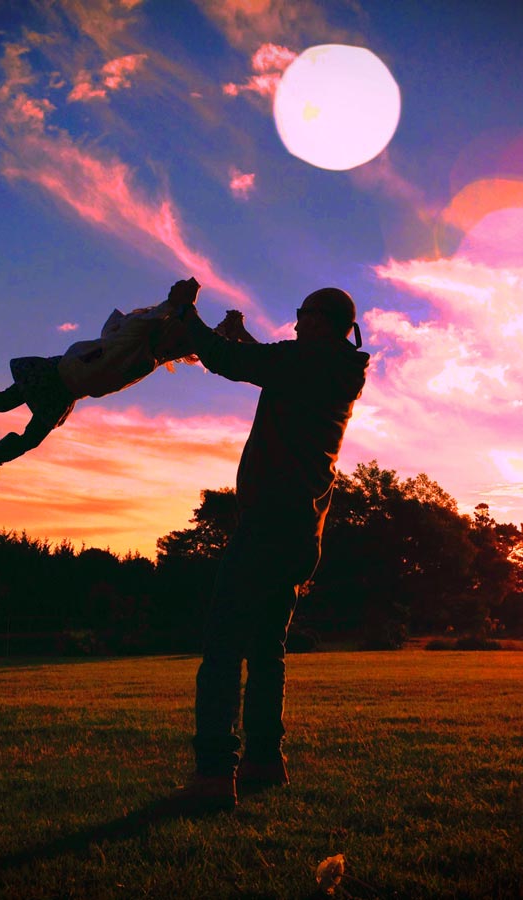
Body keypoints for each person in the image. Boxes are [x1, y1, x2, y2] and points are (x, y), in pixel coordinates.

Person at [166, 277, 369, 811]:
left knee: (222, 647)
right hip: (303, 532)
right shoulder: (332, 369)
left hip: (266, 525)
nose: (296, 320)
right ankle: (263, 760)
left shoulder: (306, 361)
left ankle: (214, 772)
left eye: (302, 313)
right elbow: (265, 361)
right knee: (266, 649)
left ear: (320, 322)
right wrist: (242, 336)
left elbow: (226, 361)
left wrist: (186, 314)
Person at [0, 290, 253, 498]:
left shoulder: (153, 355)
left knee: (16, 419)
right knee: (3, 403)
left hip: (68, 390)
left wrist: (228, 331)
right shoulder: (139, 333)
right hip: (60, 375)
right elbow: (161, 312)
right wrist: (179, 301)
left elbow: (199, 345)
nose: (175, 349)